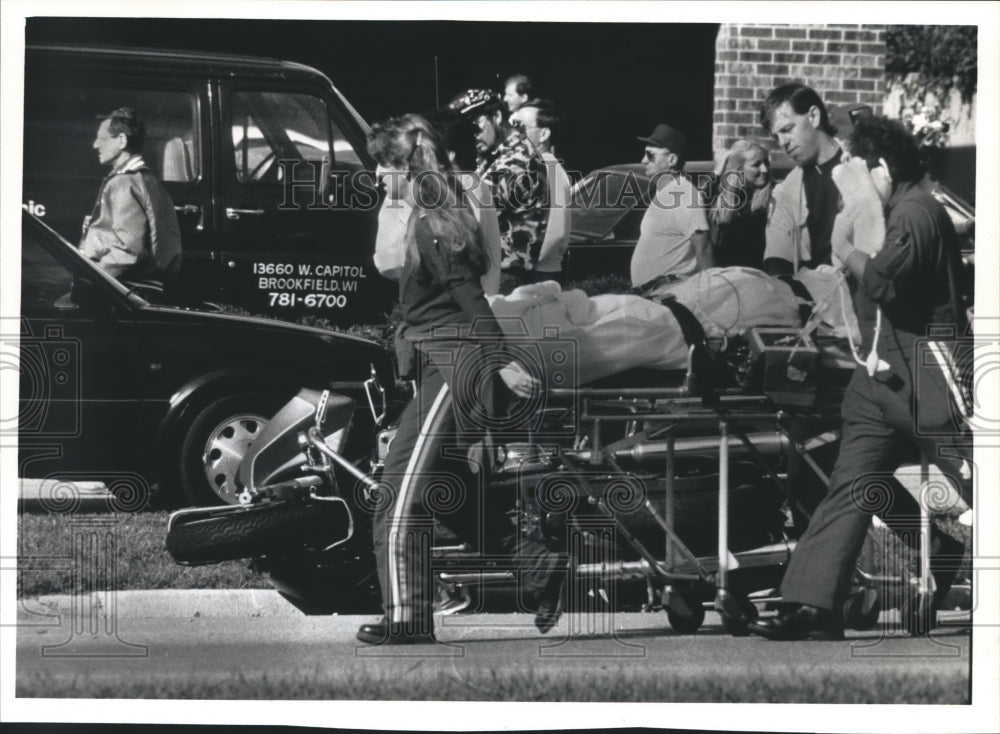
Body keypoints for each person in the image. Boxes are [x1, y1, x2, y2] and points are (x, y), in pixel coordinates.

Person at [750, 117, 972, 641]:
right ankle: (814, 603)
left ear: (884, 169)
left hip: (926, 371)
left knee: (977, 473)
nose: (850, 180)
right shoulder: (895, 213)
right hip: (880, 379)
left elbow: (886, 282)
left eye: (859, 169)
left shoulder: (916, 212)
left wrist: (845, 247)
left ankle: (938, 555)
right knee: (851, 483)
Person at [356, 114, 541, 645]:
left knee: (399, 491)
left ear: (406, 166)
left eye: (383, 164)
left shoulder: (434, 220)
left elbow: (470, 297)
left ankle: (408, 618)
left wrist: (501, 362)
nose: (376, 174)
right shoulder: (431, 210)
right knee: (451, 492)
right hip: (443, 358)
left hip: (453, 363)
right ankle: (544, 572)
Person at [375, 108, 503, 295]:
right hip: (482, 297)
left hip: (441, 301)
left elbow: (388, 261)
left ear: (448, 154)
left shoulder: (427, 187)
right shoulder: (477, 185)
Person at [448, 89, 549, 292]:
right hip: (497, 271)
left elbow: (468, 213)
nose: (470, 134)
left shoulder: (519, 161)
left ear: (496, 116)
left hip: (507, 277)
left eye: (475, 124)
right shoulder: (495, 153)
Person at [80, 106, 182, 299]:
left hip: (126, 289)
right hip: (144, 288)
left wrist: (92, 278)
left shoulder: (124, 182)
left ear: (122, 140)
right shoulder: (148, 180)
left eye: (102, 138)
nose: (95, 145)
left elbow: (128, 249)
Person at [760, 83, 843, 276]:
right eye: (776, 137)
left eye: (787, 129)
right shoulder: (785, 192)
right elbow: (776, 260)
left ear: (813, 116)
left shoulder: (863, 165)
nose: (783, 142)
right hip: (816, 289)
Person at [629, 123, 712, 289]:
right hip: (654, 294)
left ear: (672, 159)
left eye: (650, 155)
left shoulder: (684, 194)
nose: (643, 160)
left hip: (671, 294)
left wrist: (711, 291)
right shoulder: (665, 191)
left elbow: (704, 248)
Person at [512, 99, 572, 286]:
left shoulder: (547, 168)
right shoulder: (536, 166)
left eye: (520, 127)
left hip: (538, 275)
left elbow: (555, 232)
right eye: (512, 125)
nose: (513, 133)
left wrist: (521, 264)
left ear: (544, 134)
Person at [707, 140, 772, 269]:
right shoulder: (721, 200)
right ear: (739, 169)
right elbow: (696, 202)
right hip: (724, 275)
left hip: (759, 275)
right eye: (756, 164)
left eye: (766, 163)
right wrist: (717, 171)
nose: (764, 169)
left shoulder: (772, 198)